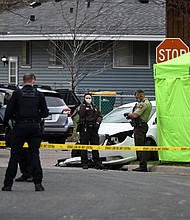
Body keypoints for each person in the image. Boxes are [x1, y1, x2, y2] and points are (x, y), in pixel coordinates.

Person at [2, 73, 49, 191]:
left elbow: (8, 111)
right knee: (34, 155)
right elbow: (45, 113)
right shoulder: (39, 95)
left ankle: (8, 184)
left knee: (15, 156)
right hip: (34, 127)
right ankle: (38, 183)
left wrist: (6, 124)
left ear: (23, 81)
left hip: (20, 127)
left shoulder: (17, 94)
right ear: (33, 81)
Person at [125, 90, 152, 172]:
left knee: (139, 146)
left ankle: (142, 165)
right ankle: (142, 164)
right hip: (142, 126)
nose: (136, 98)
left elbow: (136, 115)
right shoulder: (148, 103)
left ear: (140, 95)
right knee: (141, 146)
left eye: (137, 97)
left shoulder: (142, 104)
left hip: (140, 127)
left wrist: (128, 115)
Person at [77, 93, 104, 169]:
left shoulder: (94, 107)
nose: (88, 99)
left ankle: (97, 162)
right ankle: (84, 163)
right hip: (85, 128)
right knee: (84, 146)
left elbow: (100, 116)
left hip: (94, 129)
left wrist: (97, 122)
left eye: (89, 98)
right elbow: (81, 114)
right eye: (87, 98)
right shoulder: (82, 107)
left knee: (95, 146)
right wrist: (84, 106)